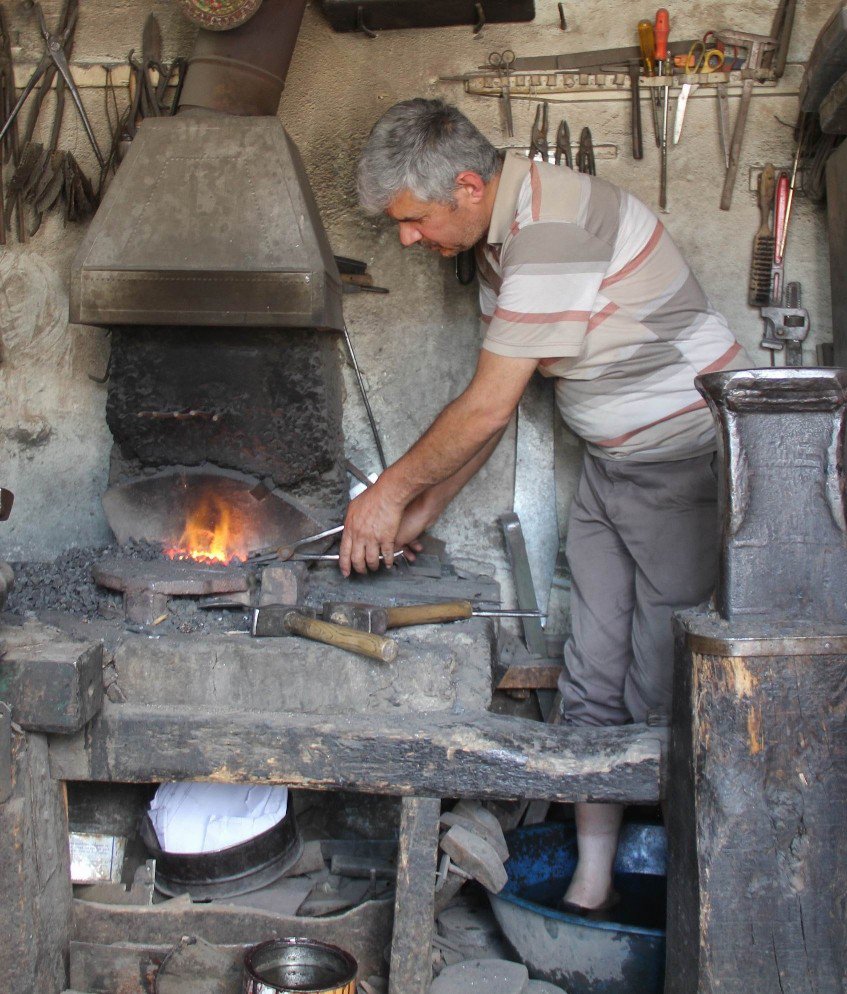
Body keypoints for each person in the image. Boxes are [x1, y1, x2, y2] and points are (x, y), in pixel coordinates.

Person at [346, 99, 749, 913]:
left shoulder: (552, 230)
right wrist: (425, 507)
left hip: (686, 468)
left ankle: (695, 903)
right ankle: (594, 888)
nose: (407, 239)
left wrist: (386, 497)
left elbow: (488, 407)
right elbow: (498, 402)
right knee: (592, 673)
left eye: (414, 220)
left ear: (466, 185)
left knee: (666, 683)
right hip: (613, 468)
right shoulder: (500, 247)